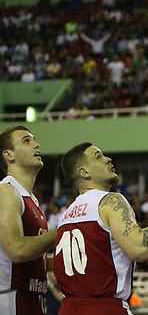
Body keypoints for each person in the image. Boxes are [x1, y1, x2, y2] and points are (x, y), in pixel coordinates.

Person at [54, 142, 148, 315]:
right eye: (99, 156)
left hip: (68, 309)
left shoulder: (64, 217)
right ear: (84, 172)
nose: (108, 159)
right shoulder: (111, 201)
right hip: (105, 307)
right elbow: (139, 249)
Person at [0, 126, 57, 315]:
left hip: (33, 297)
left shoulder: (31, 199)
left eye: (35, 139)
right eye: (26, 140)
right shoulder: (6, 191)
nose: (36, 144)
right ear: (9, 155)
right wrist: (63, 231)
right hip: (11, 297)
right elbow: (17, 249)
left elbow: (35, 258)